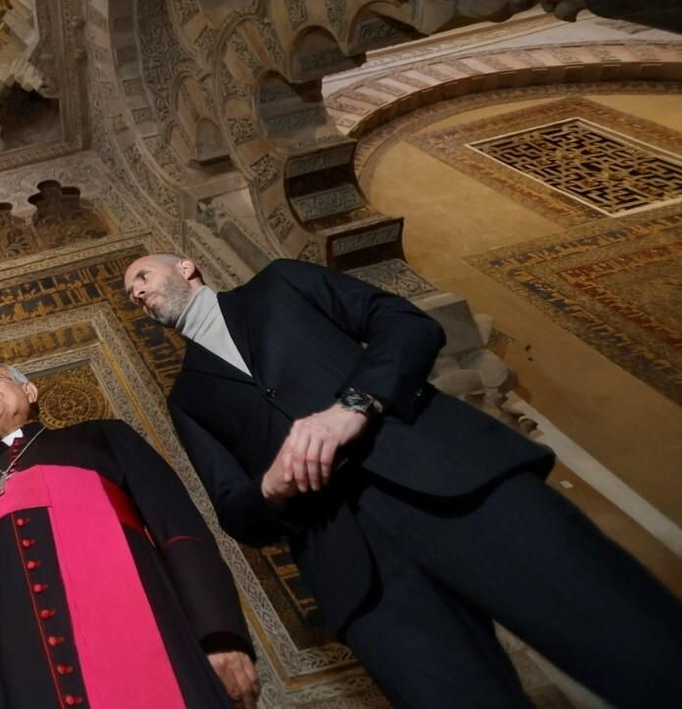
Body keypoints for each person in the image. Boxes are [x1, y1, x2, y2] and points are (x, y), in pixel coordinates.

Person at [125, 252, 682, 707]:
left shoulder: (280, 282)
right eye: (131, 293)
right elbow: (234, 510)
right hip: (358, 570)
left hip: (453, 484)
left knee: (631, 642)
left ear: (186, 265)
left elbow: (406, 324)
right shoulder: (187, 398)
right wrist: (269, 489)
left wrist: (354, 405)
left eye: (143, 276)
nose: (138, 292)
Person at [0, 363, 259, 709]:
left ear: (29, 391)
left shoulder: (103, 438)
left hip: (150, 654)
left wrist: (219, 635)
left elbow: (179, 532)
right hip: (29, 686)